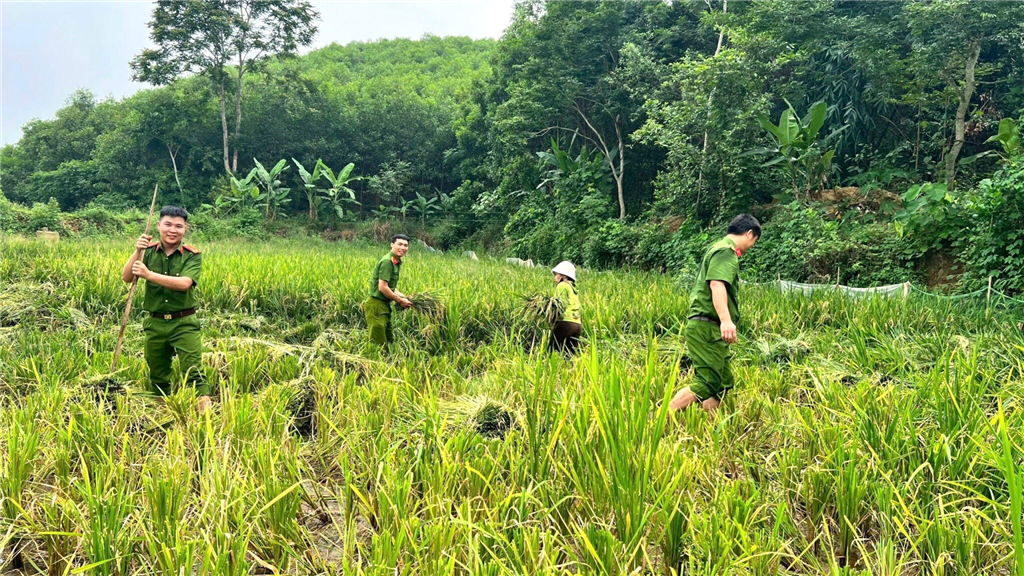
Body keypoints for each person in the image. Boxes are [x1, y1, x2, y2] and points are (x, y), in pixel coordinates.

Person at [669, 214, 761, 414]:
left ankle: (710, 433)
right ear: (750, 234)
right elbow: (717, 284)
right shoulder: (725, 252)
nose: (752, 246)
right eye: (754, 241)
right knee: (708, 383)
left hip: (708, 327)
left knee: (722, 384)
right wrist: (726, 321)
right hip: (707, 327)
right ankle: (659, 418)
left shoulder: (717, 248)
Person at [121, 205, 209, 412]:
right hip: (155, 323)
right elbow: (127, 277)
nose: (173, 230)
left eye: (178, 226)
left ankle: (207, 422)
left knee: (194, 372)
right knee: (158, 374)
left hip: (184, 322)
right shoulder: (148, 252)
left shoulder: (192, 255)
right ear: (159, 225)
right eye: (168, 224)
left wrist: (149, 275)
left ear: (184, 229)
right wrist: (137, 250)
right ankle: (162, 418)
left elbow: (185, 283)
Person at [363, 234, 413, 347]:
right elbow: (382, 287)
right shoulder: (387, 262)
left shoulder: (395, 262)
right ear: (392, 244)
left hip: (384, 306)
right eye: (399, 244)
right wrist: (400, 301)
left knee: (389, 340)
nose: (403, 247)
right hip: (376, 305)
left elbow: (390, 287)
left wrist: (404, 297)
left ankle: (387, 361)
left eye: (405, 245)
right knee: (378, 343)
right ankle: (374, 363)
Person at [550, 260, 583, 354]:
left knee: (552, 350)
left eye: (557, 274)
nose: (555, 277)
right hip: (577, 324)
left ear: (564, 276)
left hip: (566, 322)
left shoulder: (562, 285)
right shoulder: (573, 288)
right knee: (569, 354)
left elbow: (560, 305)